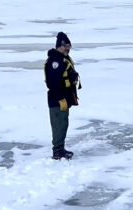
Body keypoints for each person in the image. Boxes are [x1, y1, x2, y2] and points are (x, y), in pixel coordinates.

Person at [44, 31, 80, 160]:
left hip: (64, 99)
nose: (68, 49)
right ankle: (57, 152)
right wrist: (60, 99)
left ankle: (60, 148)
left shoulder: (62, 59)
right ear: (59, 45)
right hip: (58, 100)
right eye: (66, 46)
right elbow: (53, 83)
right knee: (58, 125)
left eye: (69, 46)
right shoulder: (55, 62)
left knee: (63, 124)